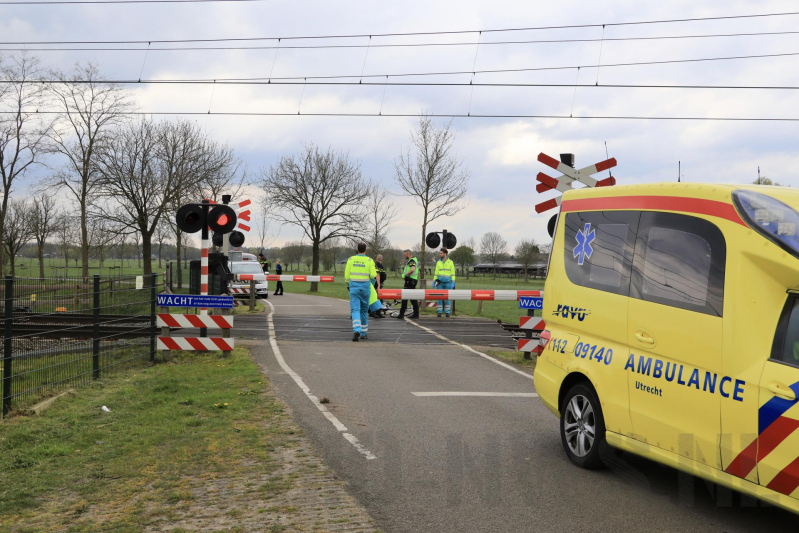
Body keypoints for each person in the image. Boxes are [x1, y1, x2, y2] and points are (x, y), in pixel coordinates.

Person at [345, 242, 377, 342]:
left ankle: (356, 330)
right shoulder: (370, 260)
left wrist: (348, 283)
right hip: (365, 288)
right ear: (365, 250)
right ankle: (363, 333)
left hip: (354, 288)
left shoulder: (351, 259)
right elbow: (373, 275)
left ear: (357, 250)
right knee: (364, 311)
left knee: (355, 310)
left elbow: (346, 276)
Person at [395, 249, 419, 319]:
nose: (404, 257)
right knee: (412, 298)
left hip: (410, 281)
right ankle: (416, 313)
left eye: (405, 255)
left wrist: (406, 275)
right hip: (412, 281)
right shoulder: (411, 260)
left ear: (408, 254)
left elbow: (412, 269)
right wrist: (405, 261)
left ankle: (401, 314)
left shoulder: (411, 261)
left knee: (404, 297)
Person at [434, 248, 456, 317]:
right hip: (440, 283)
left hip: (448, 282)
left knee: (448, 298)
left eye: (441, 253)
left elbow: (453, 273)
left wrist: (453, 282)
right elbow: (436, 273)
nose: (440, 254)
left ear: (445, 254)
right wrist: (434, 281)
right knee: (439, 297)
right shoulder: (438, 262)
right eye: (440, 253)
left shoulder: (450, 262)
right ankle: (439, 311)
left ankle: (447, 312)